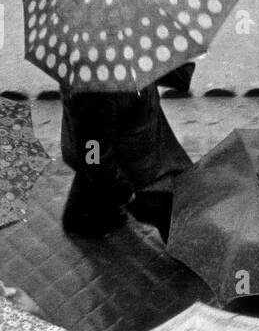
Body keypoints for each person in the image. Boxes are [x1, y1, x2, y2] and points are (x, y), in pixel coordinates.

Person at [59, 82, 193, 240]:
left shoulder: (110, 74)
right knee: (169, 210)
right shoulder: (93, 93)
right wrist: (124, 193)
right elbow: (92, 154)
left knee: (92, 182)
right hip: (127, 163)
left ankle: (84, 216)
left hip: (125, 149)